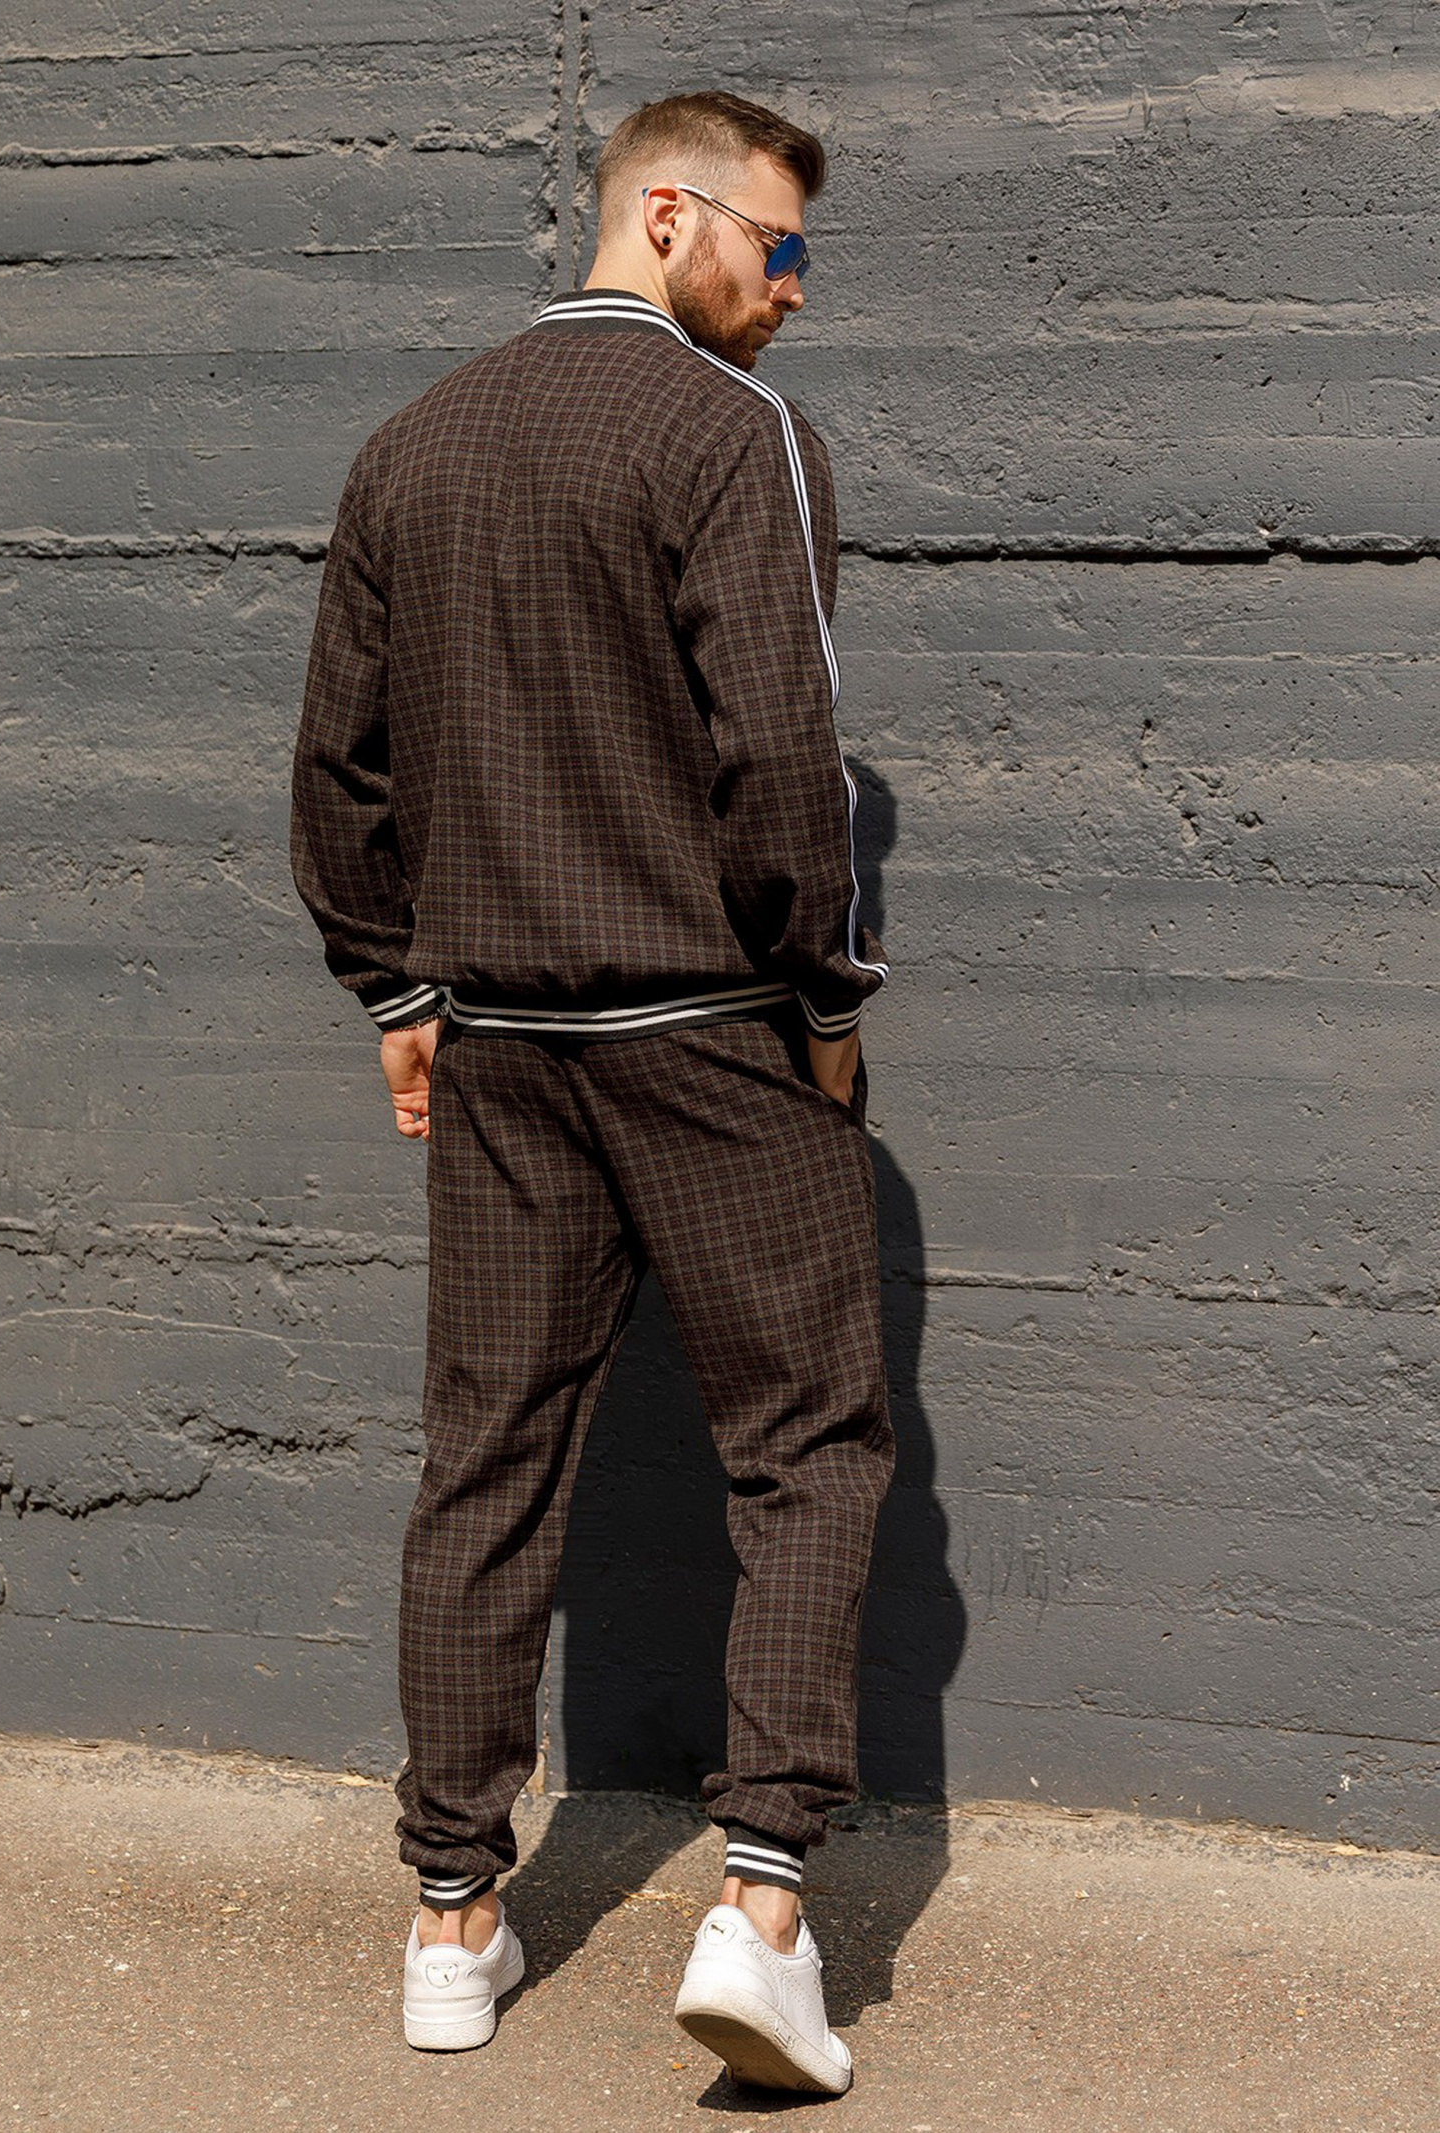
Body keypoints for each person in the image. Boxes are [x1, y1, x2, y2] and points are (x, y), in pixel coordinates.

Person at [290, 88, 894, 2096]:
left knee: (485, 1457)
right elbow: (780, 760)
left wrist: (395, 982)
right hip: (712, 1029)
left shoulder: (410, 445)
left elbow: (340, 766)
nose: (793, 292)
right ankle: (764, 1914)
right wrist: (825, 987)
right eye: (776, 249)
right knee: (806, 1439)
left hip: (503, 1049)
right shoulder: (734, 437)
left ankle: (450, 1920)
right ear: (667, 215)